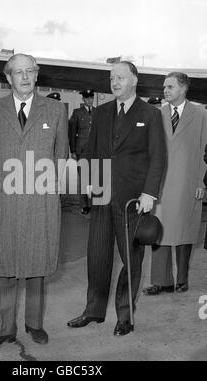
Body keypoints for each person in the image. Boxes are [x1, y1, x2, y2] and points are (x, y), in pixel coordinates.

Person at [67, 61, 166, 336]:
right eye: (112, 78)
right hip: (101, 194)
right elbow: (90, 150)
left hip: (132, 200)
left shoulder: (150, 113)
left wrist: (149, 193)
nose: (115, 82)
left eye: (121, 77)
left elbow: (158, 157)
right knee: (97, 256)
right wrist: (87, 177)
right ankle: (93, 311)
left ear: (134, 80)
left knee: (131, 259)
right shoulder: (101, 112)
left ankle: (125, 315)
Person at [0, 53, 68, 352]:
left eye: (31, 71)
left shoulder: (55, 110)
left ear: (37, 74)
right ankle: (3, 329)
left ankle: (34, 323)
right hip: (4, 198)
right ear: (8, 77)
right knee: (1, 267)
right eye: (19, 72)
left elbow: (61, 155)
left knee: (36, 266)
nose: (26, 77)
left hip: (40, 199)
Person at [143, 72, 207, 296]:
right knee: (158, 231)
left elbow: (205, 152)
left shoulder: (200, 115)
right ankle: (161, 281)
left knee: (183, 229)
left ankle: (181, 279)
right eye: (164, 87)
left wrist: (202, 182)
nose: (165, 91)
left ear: (184, 88)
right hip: (160, 183)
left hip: (188, 182)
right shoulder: (158, 114)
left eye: (170, 87)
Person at [69, 89, 95, 215]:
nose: (90, 100)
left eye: (91, 98)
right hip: (82, 150)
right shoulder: (77, 113)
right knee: (84, 178)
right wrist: (73, 150)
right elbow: (72, 132)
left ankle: (94, 204)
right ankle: (85, 205)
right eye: (87, 98)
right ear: (83, 99)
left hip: (95, 150)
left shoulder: (98, 112)